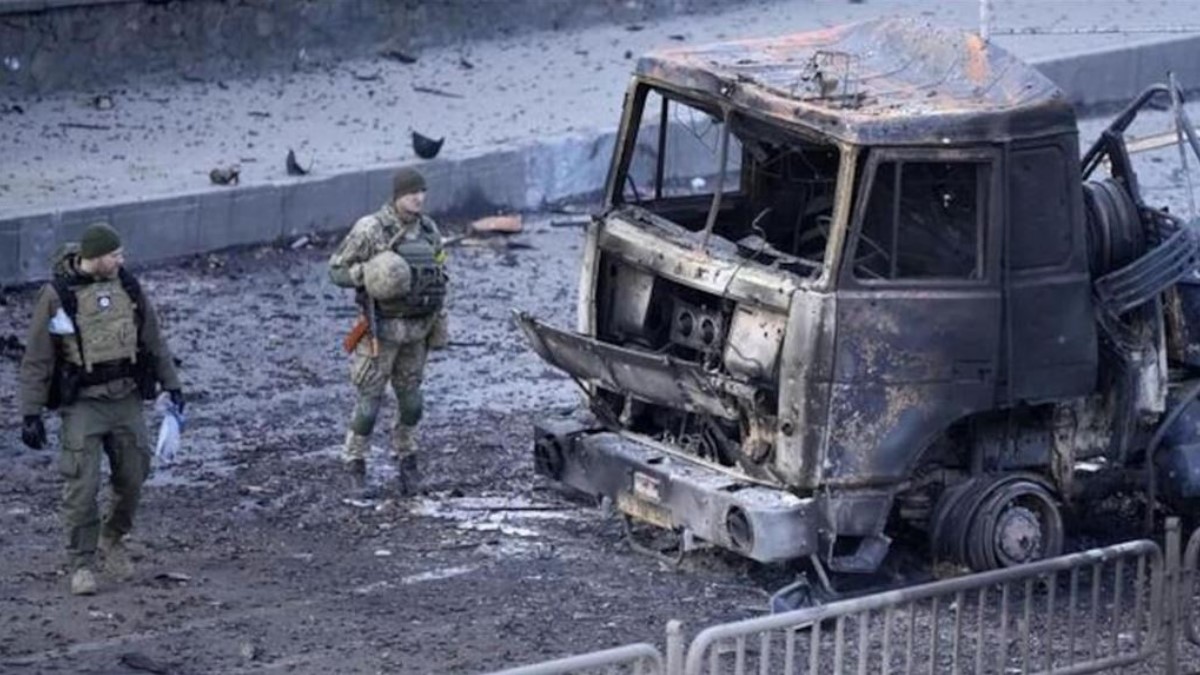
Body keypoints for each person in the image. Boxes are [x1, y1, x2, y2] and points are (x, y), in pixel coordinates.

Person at [18, 222, 183, 596]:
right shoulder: (57, 294)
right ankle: (81, 562)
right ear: (94, 257)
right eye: (114, 254)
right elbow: (38, 358)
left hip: (125, 397)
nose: (121, 260)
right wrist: (30, 412)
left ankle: (114, 537)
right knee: (82, 485)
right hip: (83, 404)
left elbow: (153, 340)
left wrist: (172, 385)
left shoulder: (128, 287)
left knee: (134, 474)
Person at [328, 168, 449, 495]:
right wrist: (366, 273)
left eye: (422, 192)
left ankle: (407, 459)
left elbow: (440, 269)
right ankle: (355, 462)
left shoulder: (428, 230)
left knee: (412, 403)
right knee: (369, 403)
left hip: (416, 331)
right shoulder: (371, 229)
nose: (419, 198)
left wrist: (438, 314)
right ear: (397, 196)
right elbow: (336, 269)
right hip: (380, 332)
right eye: (412, 193)